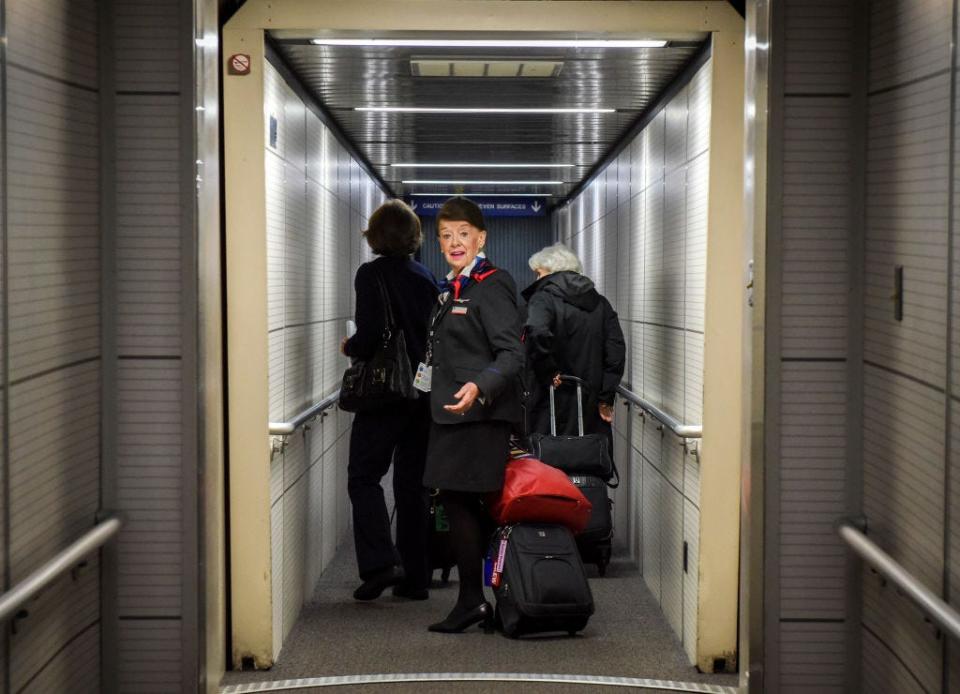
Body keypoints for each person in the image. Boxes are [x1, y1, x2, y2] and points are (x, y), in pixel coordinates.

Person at [420, 197, 524, 633]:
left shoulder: (492, 284)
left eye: (463, 233)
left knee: (463, 501)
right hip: (451, 413)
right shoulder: (453, 287)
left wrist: (480, 385)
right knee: (459, 502)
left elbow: (513, 352)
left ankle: (472, 600)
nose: (454, 242)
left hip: (478, 416)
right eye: (445, 235)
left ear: (482, 237)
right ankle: (478, 599)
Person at [341, 199, 438, 602]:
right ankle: (416, 579)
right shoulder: (426, 276)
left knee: (363, 477)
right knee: (414, 486)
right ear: (413, 236)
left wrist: (351, 347)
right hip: (422, 394)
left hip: (383, 395)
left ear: (376, 236)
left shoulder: (370, 274)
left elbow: (371, 334)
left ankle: (382, 563)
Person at [522, 243, 626, 440]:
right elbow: (616, 351)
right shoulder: (601, 303)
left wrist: (548, 371)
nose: (537, 279)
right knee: (588, 456)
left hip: (550, 398)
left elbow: (536, 331)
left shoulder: (543, 299)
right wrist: (606, 397)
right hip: (590, 402)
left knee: (551, 461)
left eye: (539, 273)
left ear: (553, 271)